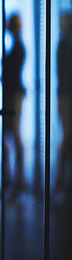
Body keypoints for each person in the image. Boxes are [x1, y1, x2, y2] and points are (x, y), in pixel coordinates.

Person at [2, 14, 26, 199]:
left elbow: (11, 74)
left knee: (14, 135)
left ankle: (17, 180)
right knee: (12, 135)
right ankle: (14, 180)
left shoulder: (17, 48)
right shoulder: (16, 47)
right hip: (13, 93)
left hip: (14, 95)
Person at [55, 13, 72, 192]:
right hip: (65, 95)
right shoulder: (63, 46)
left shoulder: (64, 45)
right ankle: (60, 177)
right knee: (66, 136)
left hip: (65, 95)